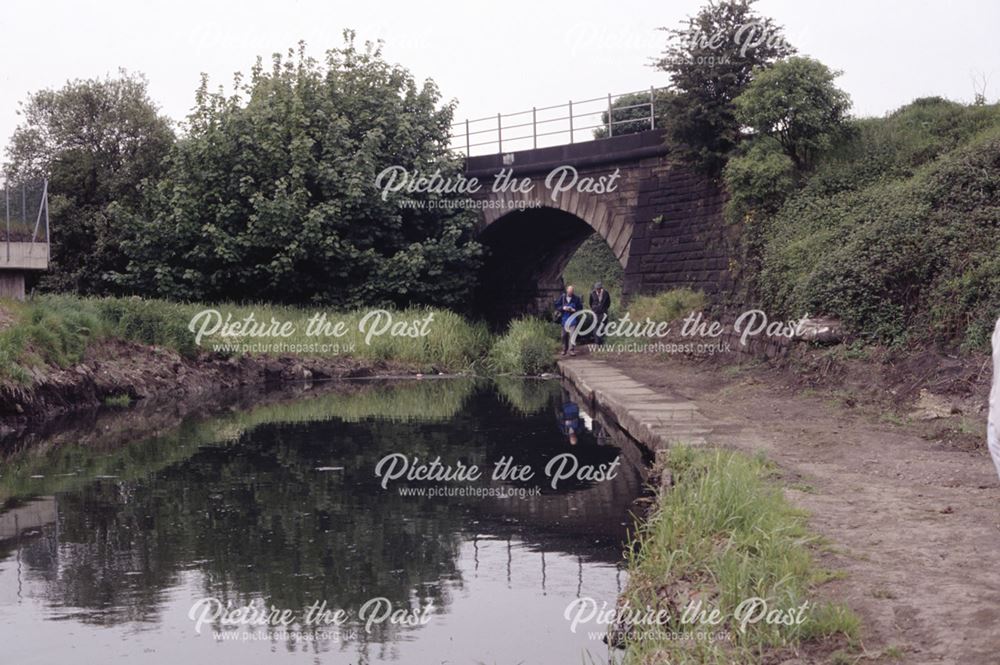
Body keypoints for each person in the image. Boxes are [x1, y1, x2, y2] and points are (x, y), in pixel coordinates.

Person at [553, 285, 583, 356]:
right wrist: (563, 308)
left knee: (572, 335)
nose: (570, 293)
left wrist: (574, 310)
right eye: (569, 292)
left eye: (571, 292)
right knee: (563, 335)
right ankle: (564, 349)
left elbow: (580, 308)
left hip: (573, 320)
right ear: (567, 291)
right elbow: (556, 306)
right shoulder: (562, 297)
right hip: (564, 320)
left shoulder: (576, 299)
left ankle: (571, 350)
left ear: (573, 292)